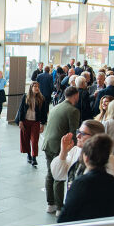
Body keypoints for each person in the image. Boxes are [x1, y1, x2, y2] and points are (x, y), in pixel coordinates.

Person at [42, 86, 81, 215]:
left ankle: (50, 204)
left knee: (50, 174)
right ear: (75, 96)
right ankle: (59, 207)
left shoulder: (55, 107)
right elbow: (73, 132)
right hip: (59, 147)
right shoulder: (73, 110)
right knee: (59, 175)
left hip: (48, 144)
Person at [15, 81, 48, 166]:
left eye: (38, 86)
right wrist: (20, 121)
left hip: (35, 122)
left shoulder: (41, 98)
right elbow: (21, 109)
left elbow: (44, 113)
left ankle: (34, 158)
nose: (37, 88)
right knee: (25, 140)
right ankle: (28, 155)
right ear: (31, 88)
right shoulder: (25, 97)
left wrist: (42, 124)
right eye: (35, 86)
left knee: (34, 140)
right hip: (25, 121)